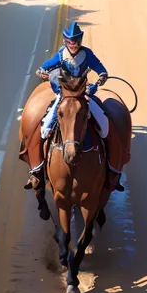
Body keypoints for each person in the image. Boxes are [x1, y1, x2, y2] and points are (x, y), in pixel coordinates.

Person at [29, 21, 124, 192]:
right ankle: (37, 169)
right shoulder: (61, 54)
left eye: (76, 41)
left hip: (84, 94)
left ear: (80, 41)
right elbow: (45, 66)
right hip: (64, 95)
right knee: (45, 128)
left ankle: (112, 168)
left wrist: (100, 79)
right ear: (66, 41)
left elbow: (101, 70)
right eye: (70, 42)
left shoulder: (87, 54)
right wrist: (42, 70)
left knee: (104, 127)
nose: (73, 45)